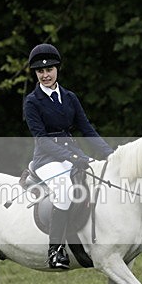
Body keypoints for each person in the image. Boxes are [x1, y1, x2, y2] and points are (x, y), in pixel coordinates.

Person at [23, 43, 115, 269]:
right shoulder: (32, 101)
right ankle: (55, 250)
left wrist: (110, 154)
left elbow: (87, 129)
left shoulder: (69, 97)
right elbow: (42, 140)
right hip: (46, 159)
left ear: (57, 69)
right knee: (64, 189)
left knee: (98, 181)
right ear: (36, 73)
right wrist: (74, 159)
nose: (45, 75)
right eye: (40, 71)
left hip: (72, 154)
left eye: (49, 70)